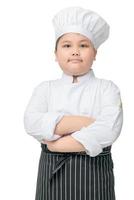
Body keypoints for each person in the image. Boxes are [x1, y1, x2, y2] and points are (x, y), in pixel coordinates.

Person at [23, 6, 123, 200]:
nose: (75, 52)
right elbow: (31, 122)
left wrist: (57, 144)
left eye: (83, 45)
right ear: (55, 53)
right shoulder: (45, 89)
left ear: (95, 53)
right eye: (67, 45)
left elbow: (109, 129)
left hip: (94, 178)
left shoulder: (107, 88)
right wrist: (85, 122)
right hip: (51, 177)